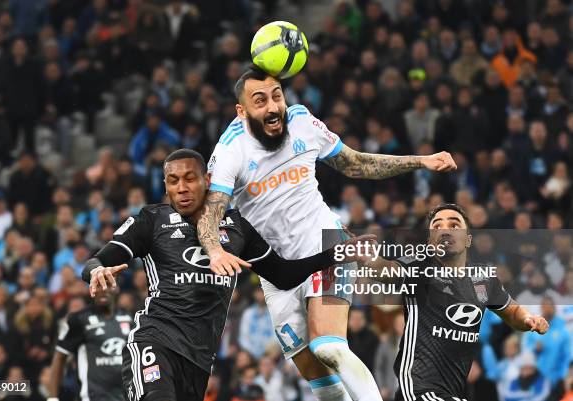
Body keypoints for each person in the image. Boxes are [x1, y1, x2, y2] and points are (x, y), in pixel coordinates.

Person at [197, 65, 457, 401]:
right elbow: (211, 210)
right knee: (317, 378)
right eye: (260, 100)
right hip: (276, 271)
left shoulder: (302, 121)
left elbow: (355, 163)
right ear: (242, 110)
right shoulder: (232, 149)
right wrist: (214, 249)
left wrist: (420, 161)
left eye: (277, 96)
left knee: (328, 347)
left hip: (326, 242)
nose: (273, 106)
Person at [82, 149, 369, 401]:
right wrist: (97, 271)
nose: (182, 188)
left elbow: (283, 275)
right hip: (154, 342)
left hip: (199, 360)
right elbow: (97, 260)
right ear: (166, 186)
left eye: (189, 178)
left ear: (207, 180)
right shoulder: (151, 220)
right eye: (173, 181)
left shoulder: (236, 227)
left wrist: (337, 254)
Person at [358, 203, 549, 401]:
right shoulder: (418, 266)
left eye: (454, 225)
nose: (445, 230)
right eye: (437, 226)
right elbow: (386, 269)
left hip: (453, 393)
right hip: (417, 391)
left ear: (468, 240)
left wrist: (529, 319)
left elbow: (513, 313)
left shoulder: (484, 279)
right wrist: (367, 259)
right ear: (430, 241)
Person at [48, 291, 132, 401]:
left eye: (107, 284)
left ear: (116, 288)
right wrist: (53, 398)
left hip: (126, 396)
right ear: (91, 290)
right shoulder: (78, 319)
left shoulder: (129, 318)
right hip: (93, 397)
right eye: (98, 285)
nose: (103, 290)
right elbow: (59, 356)